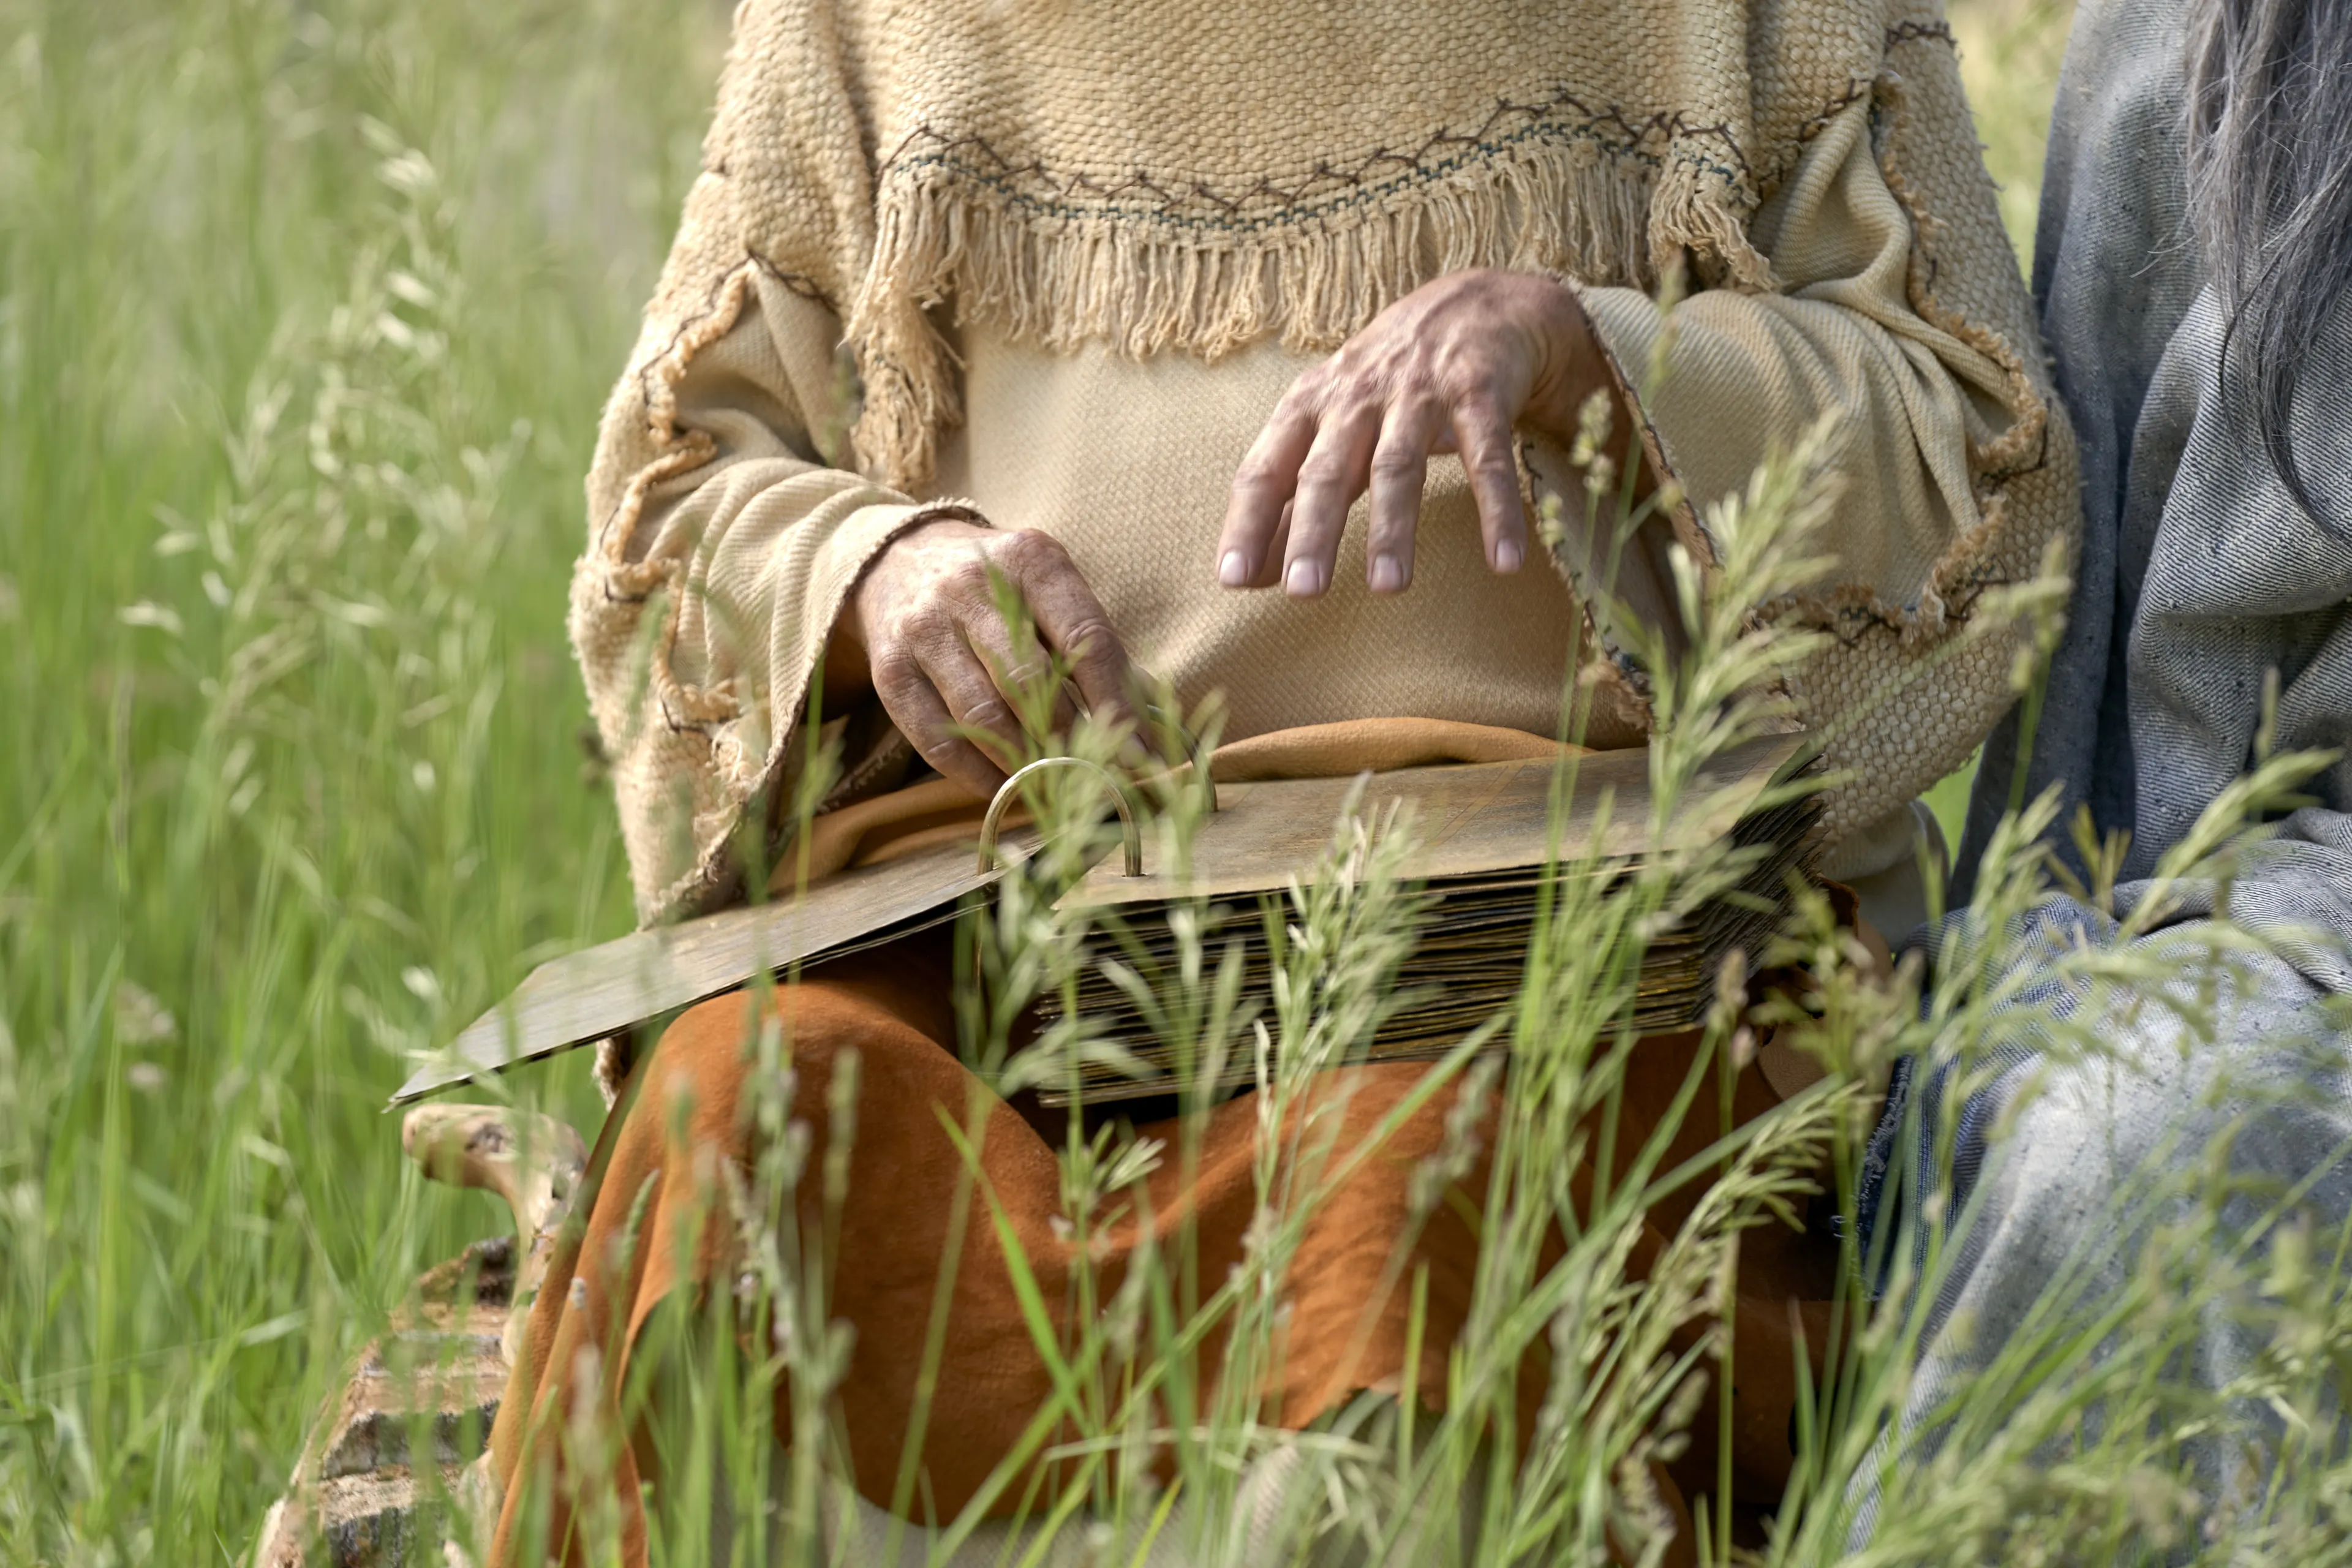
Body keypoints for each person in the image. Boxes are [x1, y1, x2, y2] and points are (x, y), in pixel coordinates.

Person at [484, 0, 2079, 1560]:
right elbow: (672, 497)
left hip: (1560, 952)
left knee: (1383, 1186)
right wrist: (876, 569)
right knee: (746, 1115)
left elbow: (1980, 453)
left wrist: (1594, 356)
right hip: (1020, 917)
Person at [1858, 0, 2352, 1531]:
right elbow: (2090, 654)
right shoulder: (2185, 47)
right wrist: (2043, 966)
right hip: (2295, 892)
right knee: (2130, 1143)